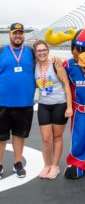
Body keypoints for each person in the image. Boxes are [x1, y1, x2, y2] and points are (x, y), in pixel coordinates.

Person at [0, 23, 35, 179]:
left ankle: (17, 163)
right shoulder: (1, 51)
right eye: (15, 33)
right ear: (10, 35)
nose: (18, 36)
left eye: (20, 33)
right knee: (1, 136)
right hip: (2, 102)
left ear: (24, 35)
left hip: (24, 101)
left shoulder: (31, 52)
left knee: (19, 135)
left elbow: (42, 64)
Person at [33, 40, 73, 179]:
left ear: (48, 51)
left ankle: (55, 166)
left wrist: (69, 106)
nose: (42, 53)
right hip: (43, 105)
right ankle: (47, 165)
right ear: (35, 53)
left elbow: (66, 85)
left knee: (57, 136)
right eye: (39, 51)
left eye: (44, 50)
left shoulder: (56, 64)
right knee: (45, 139)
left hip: (59, 104)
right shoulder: (34, 66)